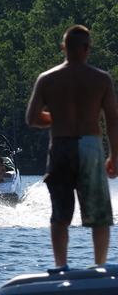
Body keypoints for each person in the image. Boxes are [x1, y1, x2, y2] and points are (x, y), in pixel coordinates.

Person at [26, 25, 118, 267]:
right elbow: (112, 122)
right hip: (91, 146)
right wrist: (114, 157)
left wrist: (59, 116)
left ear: (64, 48)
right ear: (87, 49)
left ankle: (61, 267)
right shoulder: (101, 79)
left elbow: (32, 118)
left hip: (60, 146)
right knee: (99, 215)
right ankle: (99, 266)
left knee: (60, 214)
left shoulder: (48, 79)